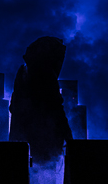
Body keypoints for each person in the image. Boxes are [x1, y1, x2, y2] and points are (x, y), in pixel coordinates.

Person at [9, 36, 73, 165]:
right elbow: (56, 107)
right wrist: (67, 134)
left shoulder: (23, 70)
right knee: (45, 167)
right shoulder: (46, 72)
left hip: (22, 134)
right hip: (44, 135)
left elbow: (14, 105)